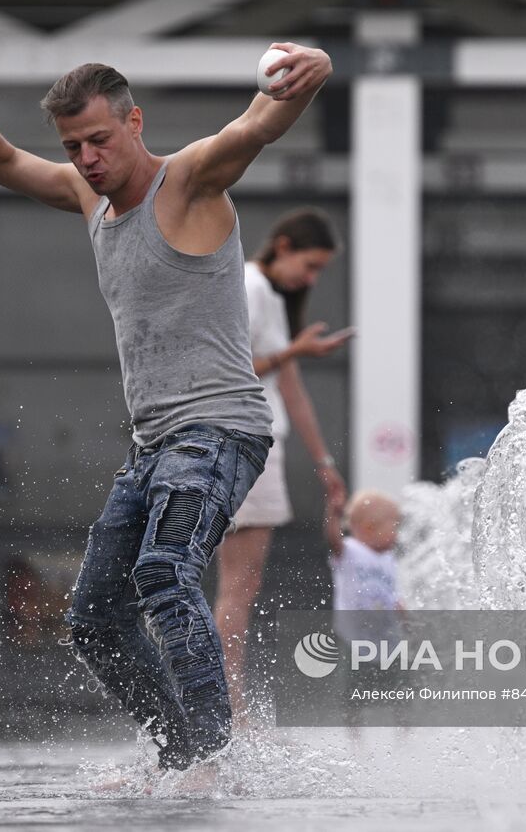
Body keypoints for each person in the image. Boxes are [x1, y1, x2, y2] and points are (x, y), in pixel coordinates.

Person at [0, 41, 332, 772]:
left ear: (135, 121)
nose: (89, 157)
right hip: (154, 443)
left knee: (165, 570)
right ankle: (177, 751)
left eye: (100, 139)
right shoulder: (87, 195)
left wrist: (310, 70)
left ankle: (212, 762)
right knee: (95, 617)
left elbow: (255, 125)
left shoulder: (190, 181)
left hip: (221, 428)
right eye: (74, 146)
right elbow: (6, 162)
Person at [213, 208, 352, 722]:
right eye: (310, 266)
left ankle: (228, 704)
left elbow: (289, 387)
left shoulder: (268, 295)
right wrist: (293, 350)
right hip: (246, 440)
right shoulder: (250, 287)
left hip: (258, 443)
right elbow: (227, 366)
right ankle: (228, 708)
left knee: (240, 587)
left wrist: (323, 462)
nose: (311, 279)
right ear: (284, 246)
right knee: (238, 587)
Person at [322, 489, 407, 731]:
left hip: (387, 638)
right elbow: (333, 539)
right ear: (370, 527)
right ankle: (354, 737)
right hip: (354, 639)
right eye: (394, 527)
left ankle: (404, 731)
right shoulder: (350, 552)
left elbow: (391, 593)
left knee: (401, 688)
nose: (397, 535)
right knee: (352, 691)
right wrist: (333, 513)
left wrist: (402, 611)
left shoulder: (389, 558)